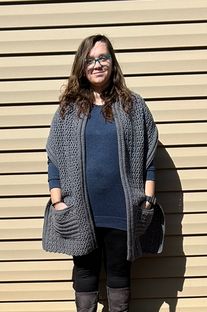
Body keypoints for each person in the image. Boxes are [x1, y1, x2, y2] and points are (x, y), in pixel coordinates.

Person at [42, 34, 164, 312]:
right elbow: (54, 159)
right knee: (85, 276)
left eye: (103, 58)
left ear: (112, 62)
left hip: (123, 210)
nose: (97, 64)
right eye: (90, 59)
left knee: (120, 277)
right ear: (81, 66)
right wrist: (58, 200)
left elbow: (148, 155)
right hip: (80, 210)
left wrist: (147, 199)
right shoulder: (68, 109)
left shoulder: (134, 106)